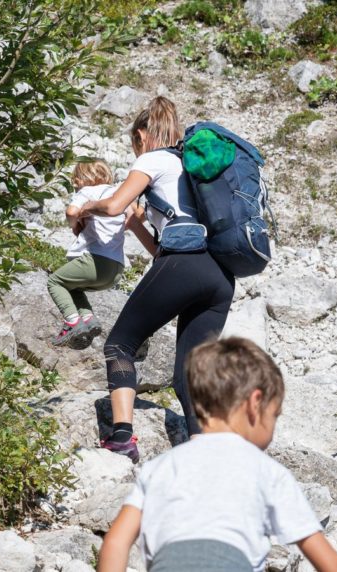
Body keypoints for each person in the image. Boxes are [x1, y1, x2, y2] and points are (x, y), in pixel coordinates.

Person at [97, 337, 337, 572]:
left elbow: (116, 543)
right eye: (274, 416)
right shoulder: (267, 472)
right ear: (255, 404)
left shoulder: (160, 467)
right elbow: (330, 563)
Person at [77, 96, 233, 461]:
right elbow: (162, 253)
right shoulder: (191, 167)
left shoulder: (152, 159)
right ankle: (203, 458)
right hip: (220, 276)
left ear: (142, 135)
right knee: (188, 372)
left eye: (134, 143)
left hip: (186, 265)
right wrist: (136, 225)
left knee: (119, 345)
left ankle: (122, 437)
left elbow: (114, 205)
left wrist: (87, 206)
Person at [46, 160, 154, 348]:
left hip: (94, 260)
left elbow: (71, 212)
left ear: (82, 179)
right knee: (74, 288)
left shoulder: (88, 192)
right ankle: (88, 320)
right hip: (115, 269)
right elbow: (136, 218)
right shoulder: (119, 195)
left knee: (55, 282)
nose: (75, 184)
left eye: (76, 180)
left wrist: (75, 225)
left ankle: (72, 323)